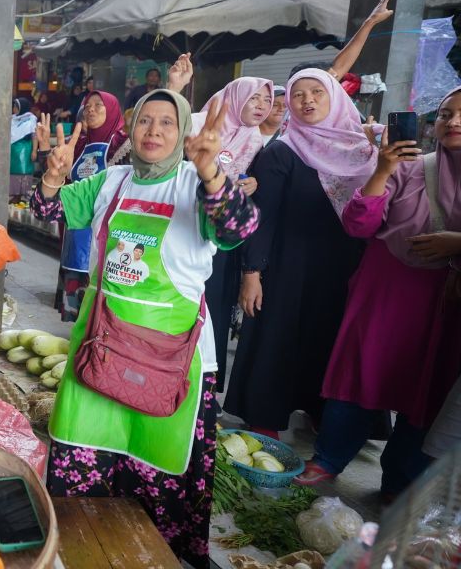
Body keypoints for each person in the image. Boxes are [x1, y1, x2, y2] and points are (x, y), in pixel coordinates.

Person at [30, 63, 259, 569]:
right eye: (144, 122)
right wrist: (49, 178)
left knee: (159, 472)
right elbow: (48, 212)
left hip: (171, 358)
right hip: (102, 349)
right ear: (129, 129)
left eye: (166, 123)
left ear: (183, 132)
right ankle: (78, 551)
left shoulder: (195, 185)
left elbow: (238, 229)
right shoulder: (110, 180)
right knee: (83, 460)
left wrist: (211, 173)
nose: (153, 132)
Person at [297, 88, 461, 499]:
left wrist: (457, 243)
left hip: (446, 299)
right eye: (445, 114)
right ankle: (329, 458)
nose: (453, 122)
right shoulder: (412, 168)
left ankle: (400, 482)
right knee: (360, 371)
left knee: (428, 388)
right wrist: (383, 169)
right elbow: (359, 225)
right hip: (386, 289)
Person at [226, 69, 378, 437]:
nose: (307, 101)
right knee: (277, 343)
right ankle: (264, 419)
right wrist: (252, 274)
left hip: (342, 272)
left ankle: (324, 418)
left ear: (336, 100)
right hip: (285, 271)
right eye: (298, 95)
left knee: (329, 344)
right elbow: (262, 218)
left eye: (317, 93)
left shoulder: (365, 152)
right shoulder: (282, 151)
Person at [188, 77, 273, 386]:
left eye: (266, 100)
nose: (262, 106)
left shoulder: (256, 141)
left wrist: (254, 184)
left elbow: (252, 183)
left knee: (217, 310)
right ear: (235, 98)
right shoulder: (199, 124)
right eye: (254, 99)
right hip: (188, 225)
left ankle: (207, 382)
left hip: (223, 240)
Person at [37, 88, 128, 322]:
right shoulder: (78, 144)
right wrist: (46, 149)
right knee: (77, 312)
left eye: (99, 105)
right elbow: (56, 184)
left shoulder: (123, 143)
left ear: (113, 109)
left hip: (108, 235)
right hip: (76, 232)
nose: (91, 109)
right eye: (87, 105)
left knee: (103, 312)